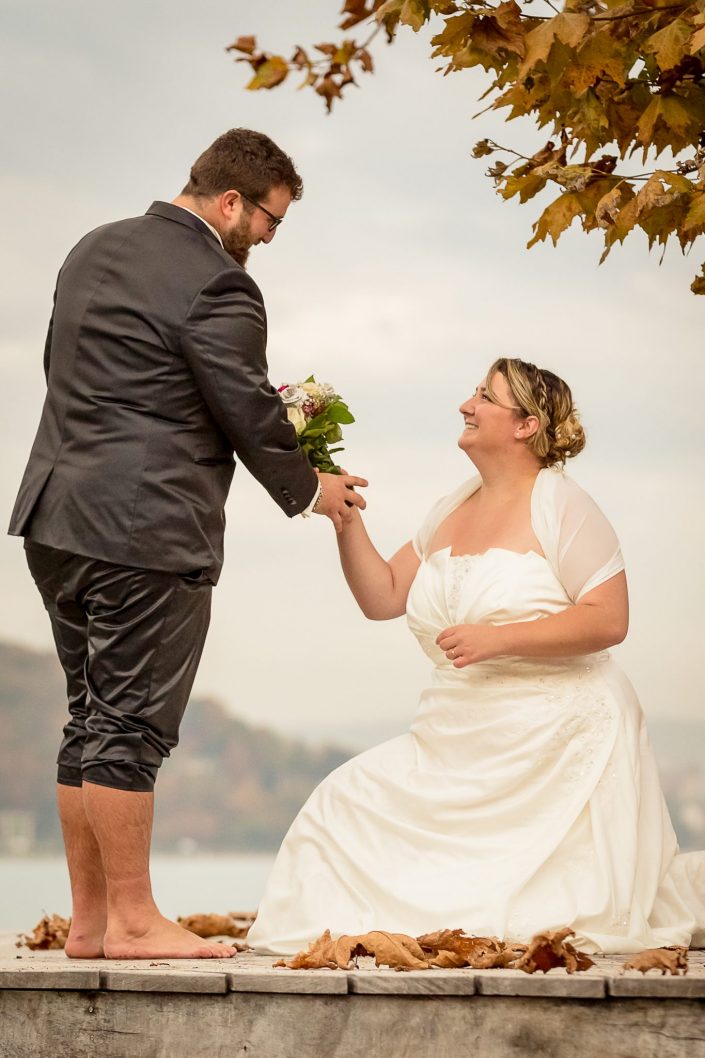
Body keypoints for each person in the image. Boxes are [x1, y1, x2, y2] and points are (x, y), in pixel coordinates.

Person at [8, 128, 367, 960]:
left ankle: (91, 924)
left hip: (55, 517)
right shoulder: (219, 284)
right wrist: (311, 488)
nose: (270, 240)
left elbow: (70, 370)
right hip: (147, 530)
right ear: (231, 203)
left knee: (88, 718)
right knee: (129, 726)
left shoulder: (91, 249)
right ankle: (134, 922)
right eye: (270, 222)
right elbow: (241, 402)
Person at [248, 357, 705, 956]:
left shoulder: (564, 505)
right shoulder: (450, 506)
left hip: (555, 735)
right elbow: (383, 596)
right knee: (344, 801)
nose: (468, 404)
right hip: (453, 732)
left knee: (548, 912)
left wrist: (500, 638)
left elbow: (609, 619)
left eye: (485, 397)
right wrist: (343, 519)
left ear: (526, 425)